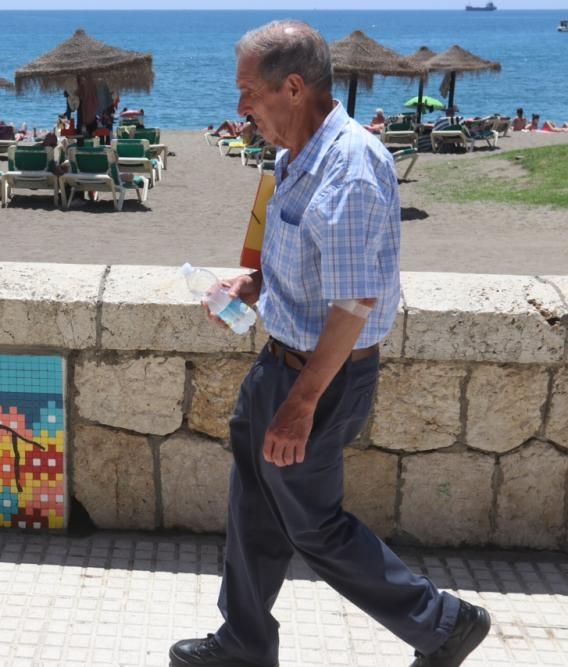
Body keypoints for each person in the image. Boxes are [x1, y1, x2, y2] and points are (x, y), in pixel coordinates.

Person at [168, 20, 490, 667]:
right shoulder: (294, 158)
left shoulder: (349, 168)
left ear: (292, 86)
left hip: (321, 376)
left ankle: (444, 622)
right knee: (254, 508)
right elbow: (311, 271)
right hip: (279, 362)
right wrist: (252, 283)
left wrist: (302, 400)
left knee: (313, 525)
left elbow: (354, 303)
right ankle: (244, 643)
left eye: (248, 93)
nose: (240, 109)